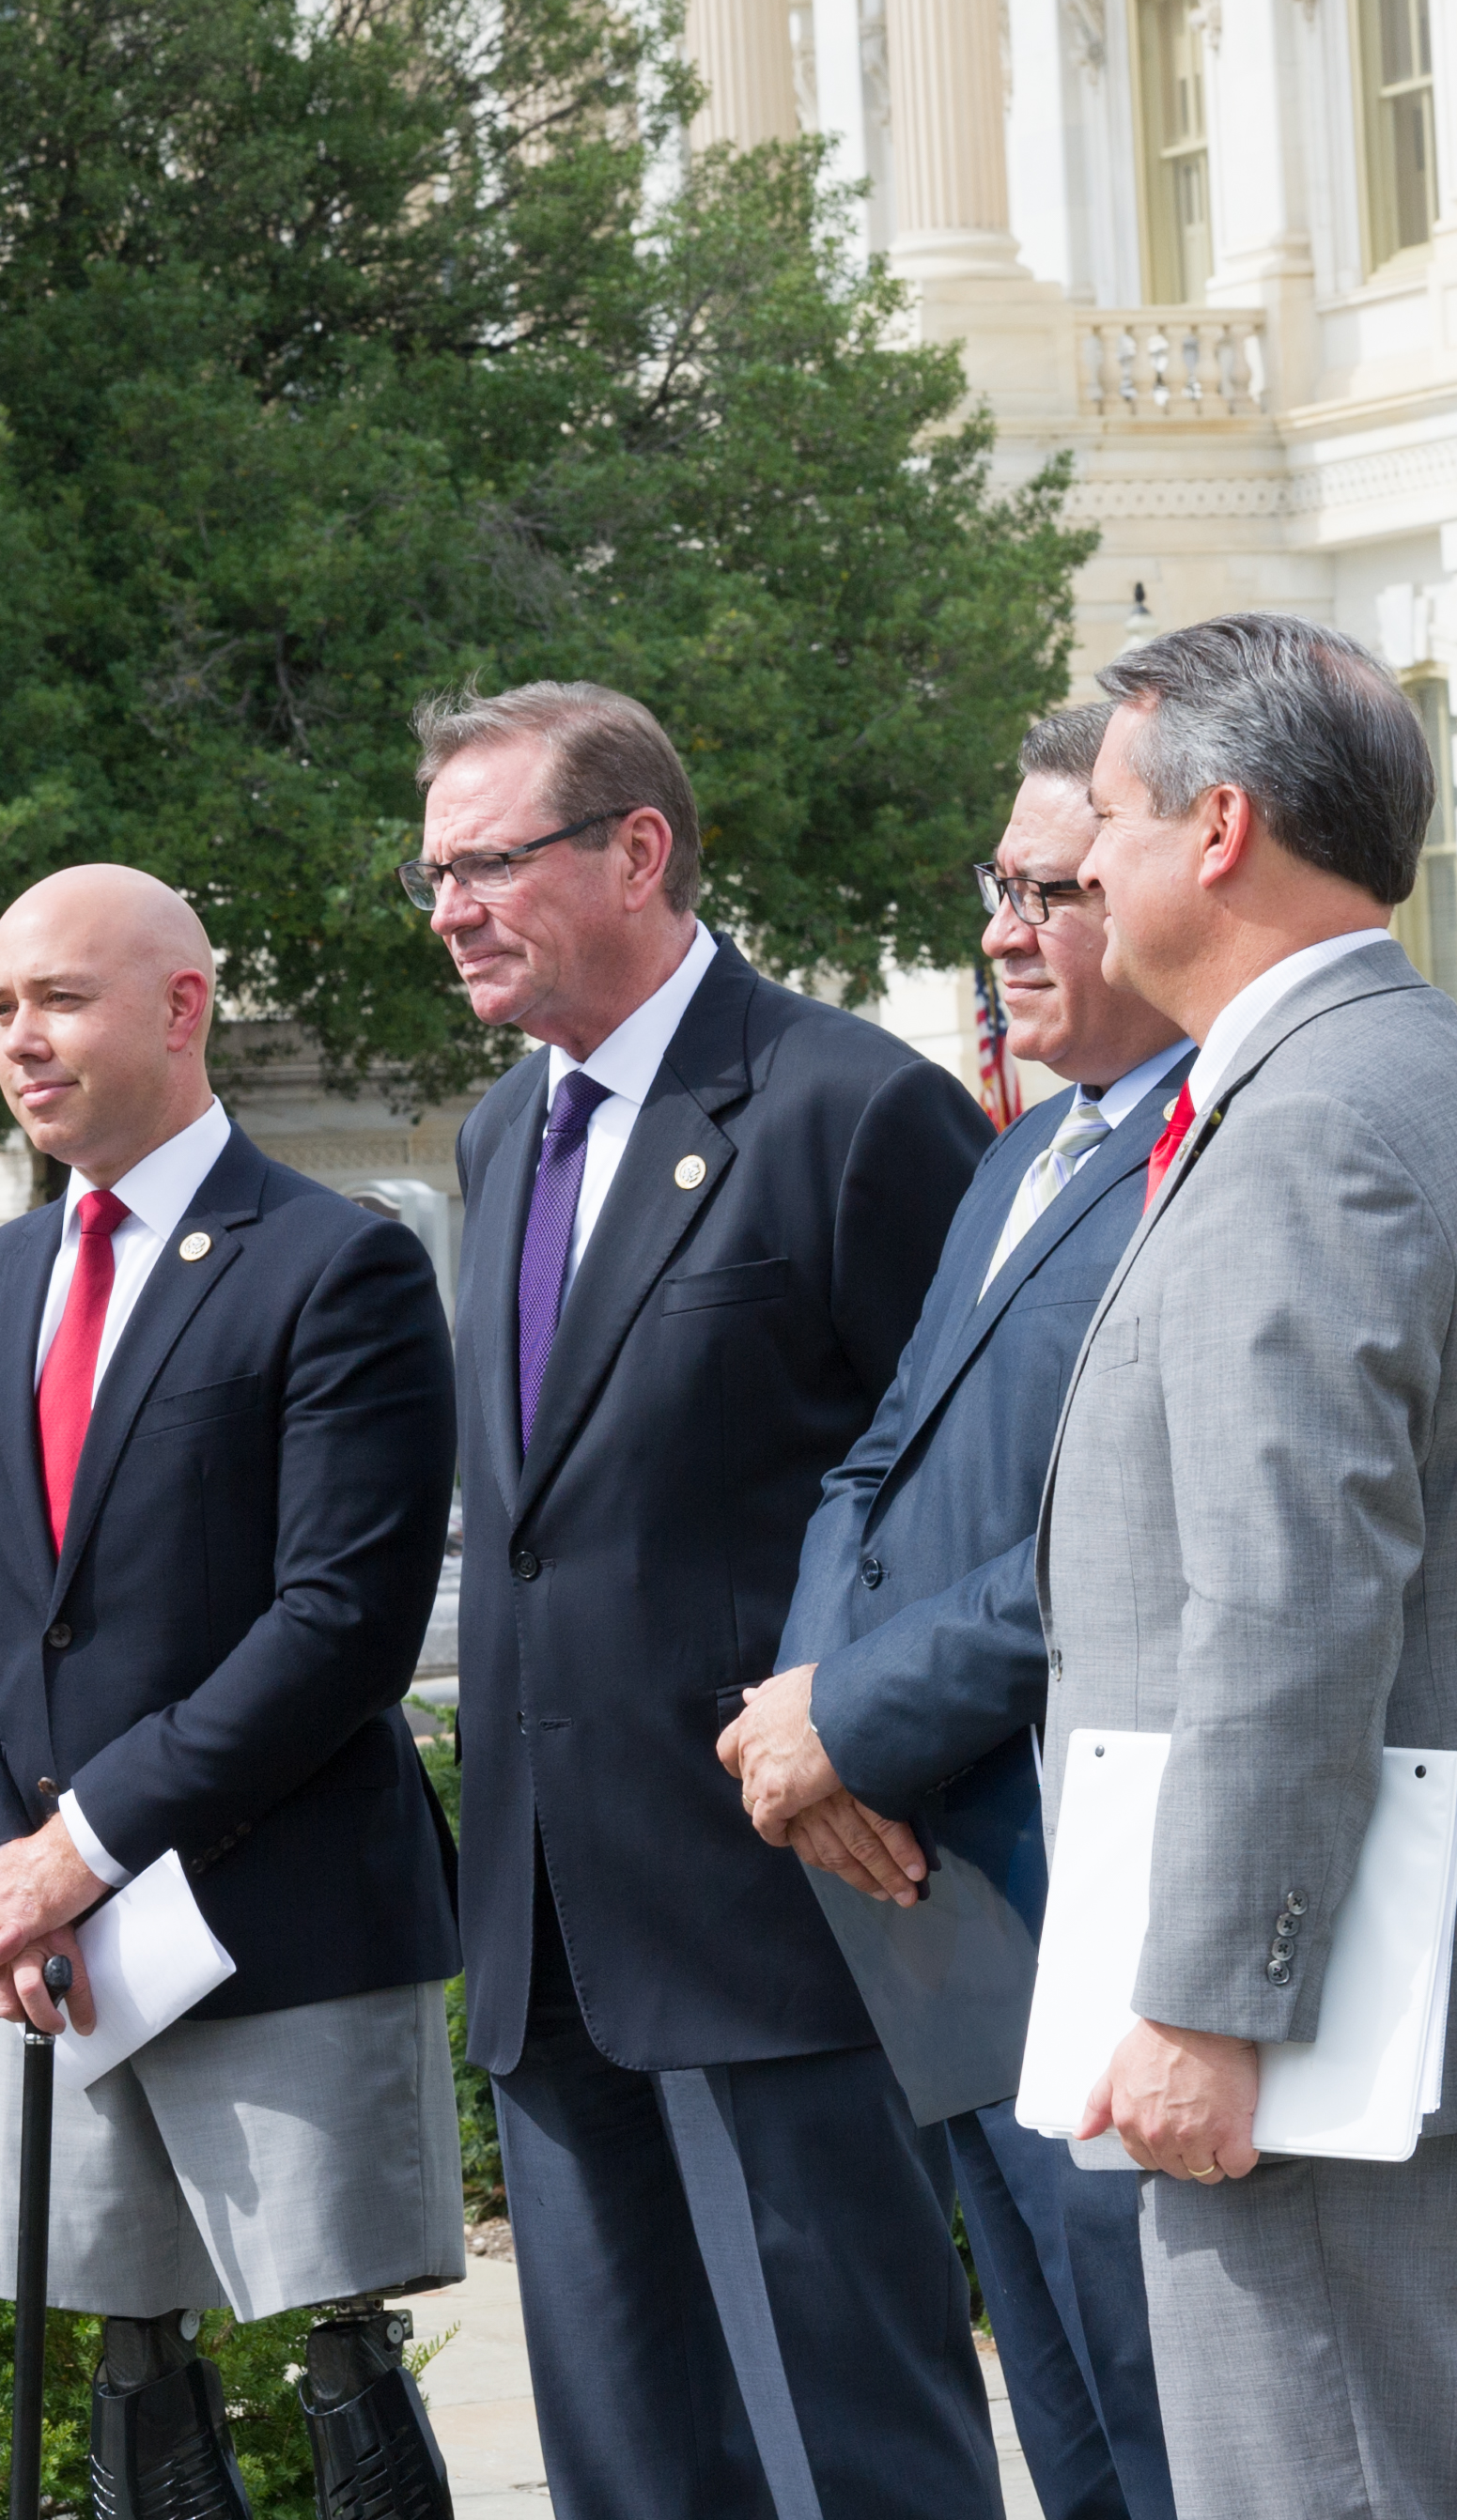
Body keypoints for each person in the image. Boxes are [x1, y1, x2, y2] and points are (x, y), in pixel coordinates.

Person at [1048, 615, 1457, 2520]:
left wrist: (1215, 1999)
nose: (1082, 869)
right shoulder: (1407, 1073)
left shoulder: (1308, 1127)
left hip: (1325, 2021)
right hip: (1399, 1984)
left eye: (1109, 824)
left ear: (1217, 831)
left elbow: (1289, 1607)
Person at [414, 680, 1002, 2515]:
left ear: (636, 852)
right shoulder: (503, 1138)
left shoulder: (848, 1111)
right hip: (549, 1931)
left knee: (852, 2446)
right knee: (630, 2470)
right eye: (429, 874)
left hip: (781, 1916)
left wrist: (863, 1731)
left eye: (487, 863)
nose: (447, 909)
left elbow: (976, 1502)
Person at [0, 863, 465, 2516]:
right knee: (128, 2377)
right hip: (54, 1953)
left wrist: (92, 1843)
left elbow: (342, 1619)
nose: (21, 1039)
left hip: (272, 1920)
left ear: (183, 1004)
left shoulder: (335, 1262)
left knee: (340, 2375)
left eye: (59, 999)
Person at [716, 703, 1191, 2520]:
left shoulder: (1208, 1155)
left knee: (1167, 2436)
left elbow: (1119, 1535)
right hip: (952, 1917)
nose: (1004, 933)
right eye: (998, 889)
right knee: (1065, 2431)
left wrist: (849, 1722)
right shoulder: (1024, 1152)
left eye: (1050, 890)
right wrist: (810, 1721)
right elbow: (874, 1469)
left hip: (1096, 1897)